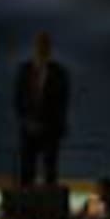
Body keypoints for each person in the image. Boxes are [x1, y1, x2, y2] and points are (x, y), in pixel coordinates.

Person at [14, 31, 69, 186]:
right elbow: (18, 101)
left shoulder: (59, 73)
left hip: (50, 130)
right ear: (35, 47)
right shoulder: (24, 71)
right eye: (39, 45)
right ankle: (24, 206)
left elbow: (62, 104)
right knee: (26, 170)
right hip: (28, 129)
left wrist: (50, 125)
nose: (42, 49)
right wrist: (26, 122)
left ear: (49, 49)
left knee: (50, 170)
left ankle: (50, 207)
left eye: (45, 46)